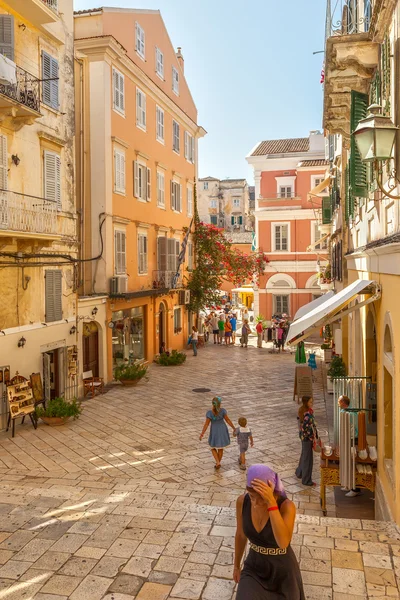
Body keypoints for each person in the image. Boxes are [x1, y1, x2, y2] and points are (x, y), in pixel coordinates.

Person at [234, 464, 305, 599]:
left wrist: (271, 504)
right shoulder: (242, 502)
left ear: (272, 491)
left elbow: (283, 542)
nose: (255, 503)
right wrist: (236, 566)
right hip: (254, 567)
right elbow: (240, 535)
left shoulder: (286, 507)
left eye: (261, 497)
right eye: (252, 496)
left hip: (283, 571)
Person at [199, 396, 235, 469]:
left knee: (212, 447)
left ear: (212, 404)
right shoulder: (223, 411)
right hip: (222, 430)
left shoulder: (209, 413)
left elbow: (206, 424)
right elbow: (227, 420)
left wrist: (202, 433)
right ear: (220, 404)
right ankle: (218, 462)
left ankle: (217, 462)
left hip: (215, 431)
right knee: (220, 448)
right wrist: (233, 428)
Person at [338, 395, 361, 497]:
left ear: (343, 402)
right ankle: (349, 484)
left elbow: (352, 428)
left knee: (352, 462)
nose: (338, 403)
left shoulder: (349, 414)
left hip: (352, 439)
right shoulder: (348, 413)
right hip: (349, 438)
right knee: (348, 462)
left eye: (339, 401)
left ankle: (355, 488)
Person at [295, 396, 318, 486]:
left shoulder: (302, 411)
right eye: (310, 402)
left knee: (304, 455)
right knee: (308, 459)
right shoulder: (307, 414)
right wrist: (313, 436)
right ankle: (306, 480)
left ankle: (299, 472)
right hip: (308, 439)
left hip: (303, 438)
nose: (312, 404)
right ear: (306, 403)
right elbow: (306, 428)